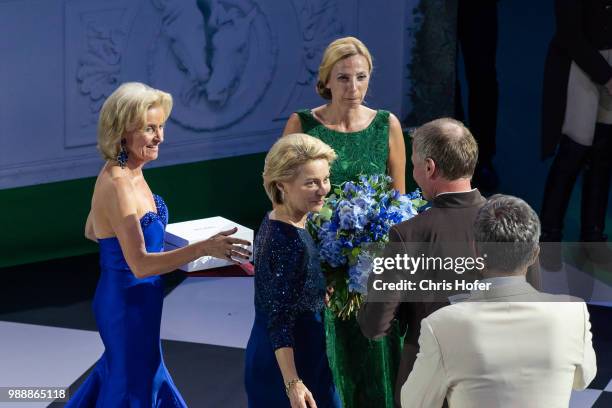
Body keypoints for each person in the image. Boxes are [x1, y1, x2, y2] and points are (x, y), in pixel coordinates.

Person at [67, 82, 251, 407]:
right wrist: (201, 248)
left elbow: (91, 229)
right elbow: (138, 264)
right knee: (131, 385)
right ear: (123, 131)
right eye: (149, 129)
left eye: (161, 126)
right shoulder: (119, 183)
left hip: (143, 299)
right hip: (126, 304)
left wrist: (124, 242)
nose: (160, 137)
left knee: (133, 375)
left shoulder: (132, 170)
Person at [282, 36, 407, 408]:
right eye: (343, 78)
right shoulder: (302, 124)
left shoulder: (387, 125)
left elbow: (398, 201)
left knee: (376, 353)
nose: (353, 88)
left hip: (373, 266)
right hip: (319, 263)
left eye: (361, 77)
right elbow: (280, 195)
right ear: (326, 80)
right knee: (326, 358)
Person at [400, 195, 597, 408]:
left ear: (476, 252)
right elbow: (582, 380)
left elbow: (415, 403)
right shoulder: (573, 312)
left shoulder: (440, 325)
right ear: (534, 254)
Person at [358, 117, 487, 407]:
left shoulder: (408, 235)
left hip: (432, 387)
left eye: (414, 164)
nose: (412, 172)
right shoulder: (515, 226)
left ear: (429, 167)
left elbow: (374, 325)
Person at [244, 133, 341, 408]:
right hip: (290, 365)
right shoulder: (286, 241)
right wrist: (293, 383)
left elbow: (292, 286)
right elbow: (279, 319)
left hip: (299, 354)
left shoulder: (290, 219)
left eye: (325, 179)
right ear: (281, 185)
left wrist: (319, 287)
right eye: (311, 182)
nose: (323, 190)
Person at [540, 0, 612, 269]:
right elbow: (569, 34)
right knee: (573, 152)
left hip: (608, 60)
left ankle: (592, 239)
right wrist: (606, 76)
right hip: (579, 65)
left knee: (604, 155)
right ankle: (549, 238)